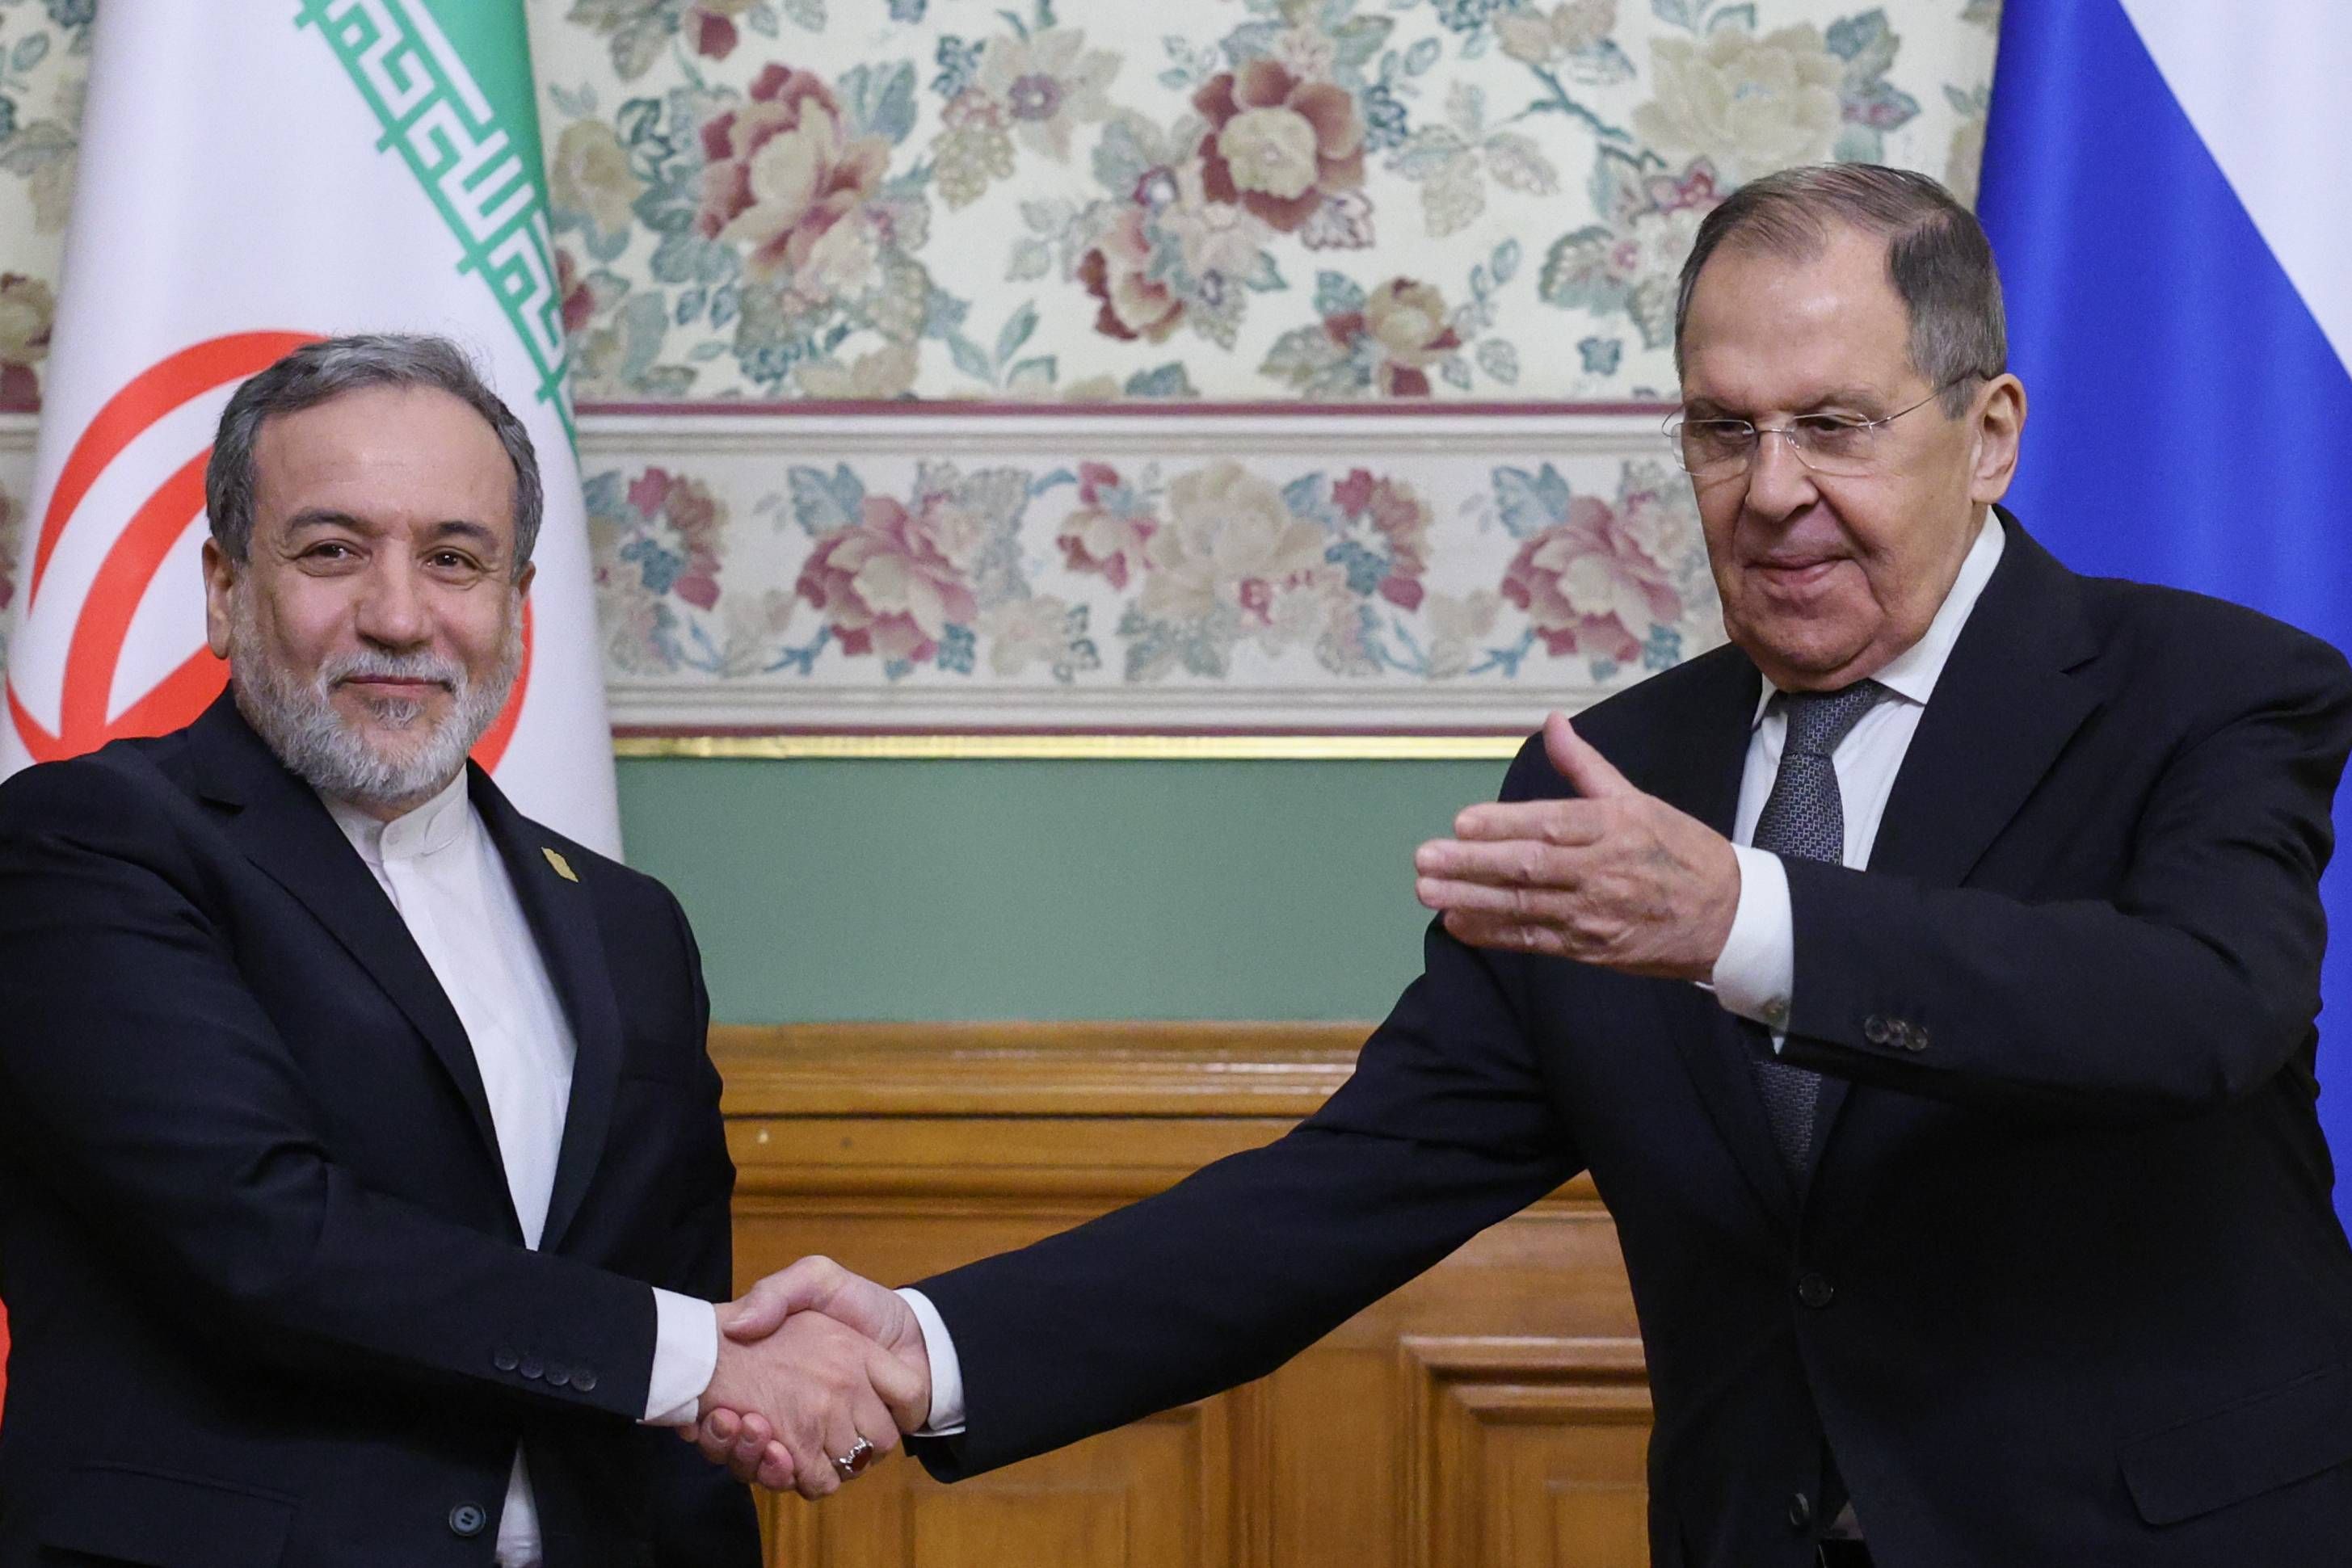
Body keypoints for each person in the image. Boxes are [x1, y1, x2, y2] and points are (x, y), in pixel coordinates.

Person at [701, 166, 2352, 1566]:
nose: (1772, 492)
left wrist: (1743, 920)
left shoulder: (2209, 691)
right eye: (1723, 430)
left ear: (1988, 434)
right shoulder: (1611, 780)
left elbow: (2201, 1007)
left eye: (1834, 426)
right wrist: (929, 1347)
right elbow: (1352, 1187)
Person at [0, 334, 919, 1566]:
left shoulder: (628, 924)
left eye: (454, 558)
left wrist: (721, 1385)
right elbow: (264, 1236)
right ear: (224, 589)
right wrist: (703, 1357)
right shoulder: (88, 843)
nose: (398, 615)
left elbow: (672, 1361)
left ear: (514, 604)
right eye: (333, 550)